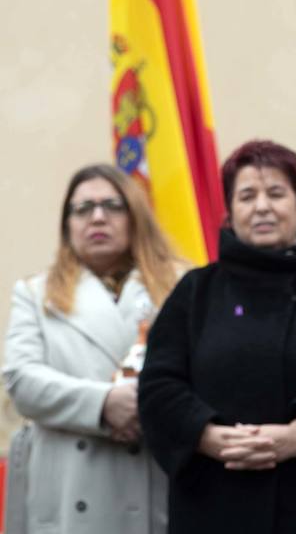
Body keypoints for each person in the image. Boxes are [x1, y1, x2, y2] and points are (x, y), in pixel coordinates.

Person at [138, 140, 296, 534]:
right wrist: (207, 436)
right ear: (230, 212)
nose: (262, 207)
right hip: (211, 502)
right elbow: (157, 386)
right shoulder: (195, 291)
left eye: (276, 193)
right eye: (246, 196)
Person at [3, 163, 180, 534]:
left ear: (135, 216)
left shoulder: (181, 286)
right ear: (67, 225)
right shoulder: (36, 294)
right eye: (82, 208)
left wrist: (144, 407)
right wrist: (103, 405)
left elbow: (203, 375)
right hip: (69, 490)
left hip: (152, 479)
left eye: (112, 205)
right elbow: (22, 380)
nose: (97, 217)